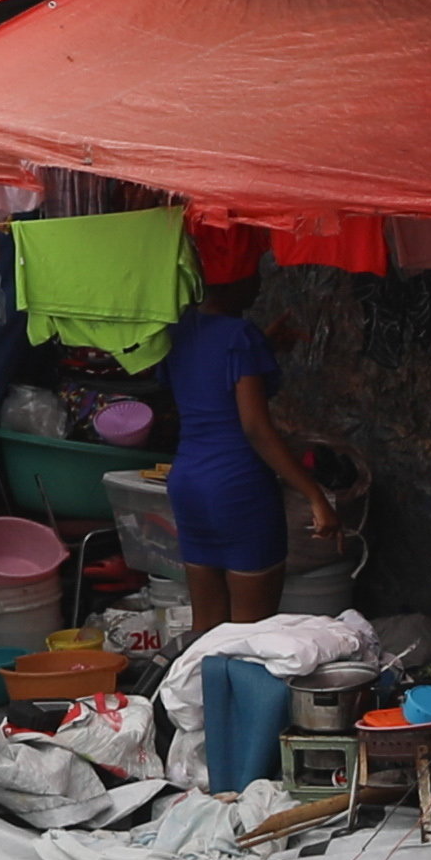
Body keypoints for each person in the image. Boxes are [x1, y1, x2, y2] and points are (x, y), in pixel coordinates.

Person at [152, 263, 348, 621]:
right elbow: (256, 429)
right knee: (250, 635)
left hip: (188, 483)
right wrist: (315, 495)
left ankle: (200, 678)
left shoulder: (178, 331)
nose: (258, 280)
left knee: (207, 628)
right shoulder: (241, 336)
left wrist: (263, 348)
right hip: (238, 488)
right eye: (252, 271)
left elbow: (206, 384)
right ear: (232, 277)